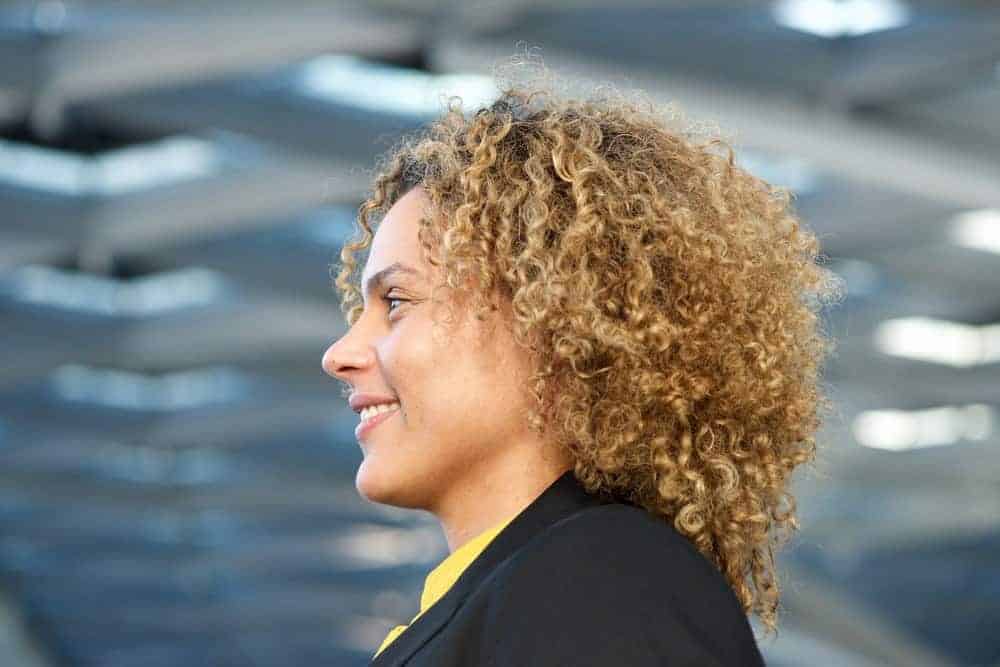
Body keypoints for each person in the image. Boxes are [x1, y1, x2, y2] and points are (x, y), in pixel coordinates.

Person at [322, 62, 841, 666]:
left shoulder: (596, 580)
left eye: (398, 302)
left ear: (553, 322)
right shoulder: (536, 588)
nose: (340, 355)